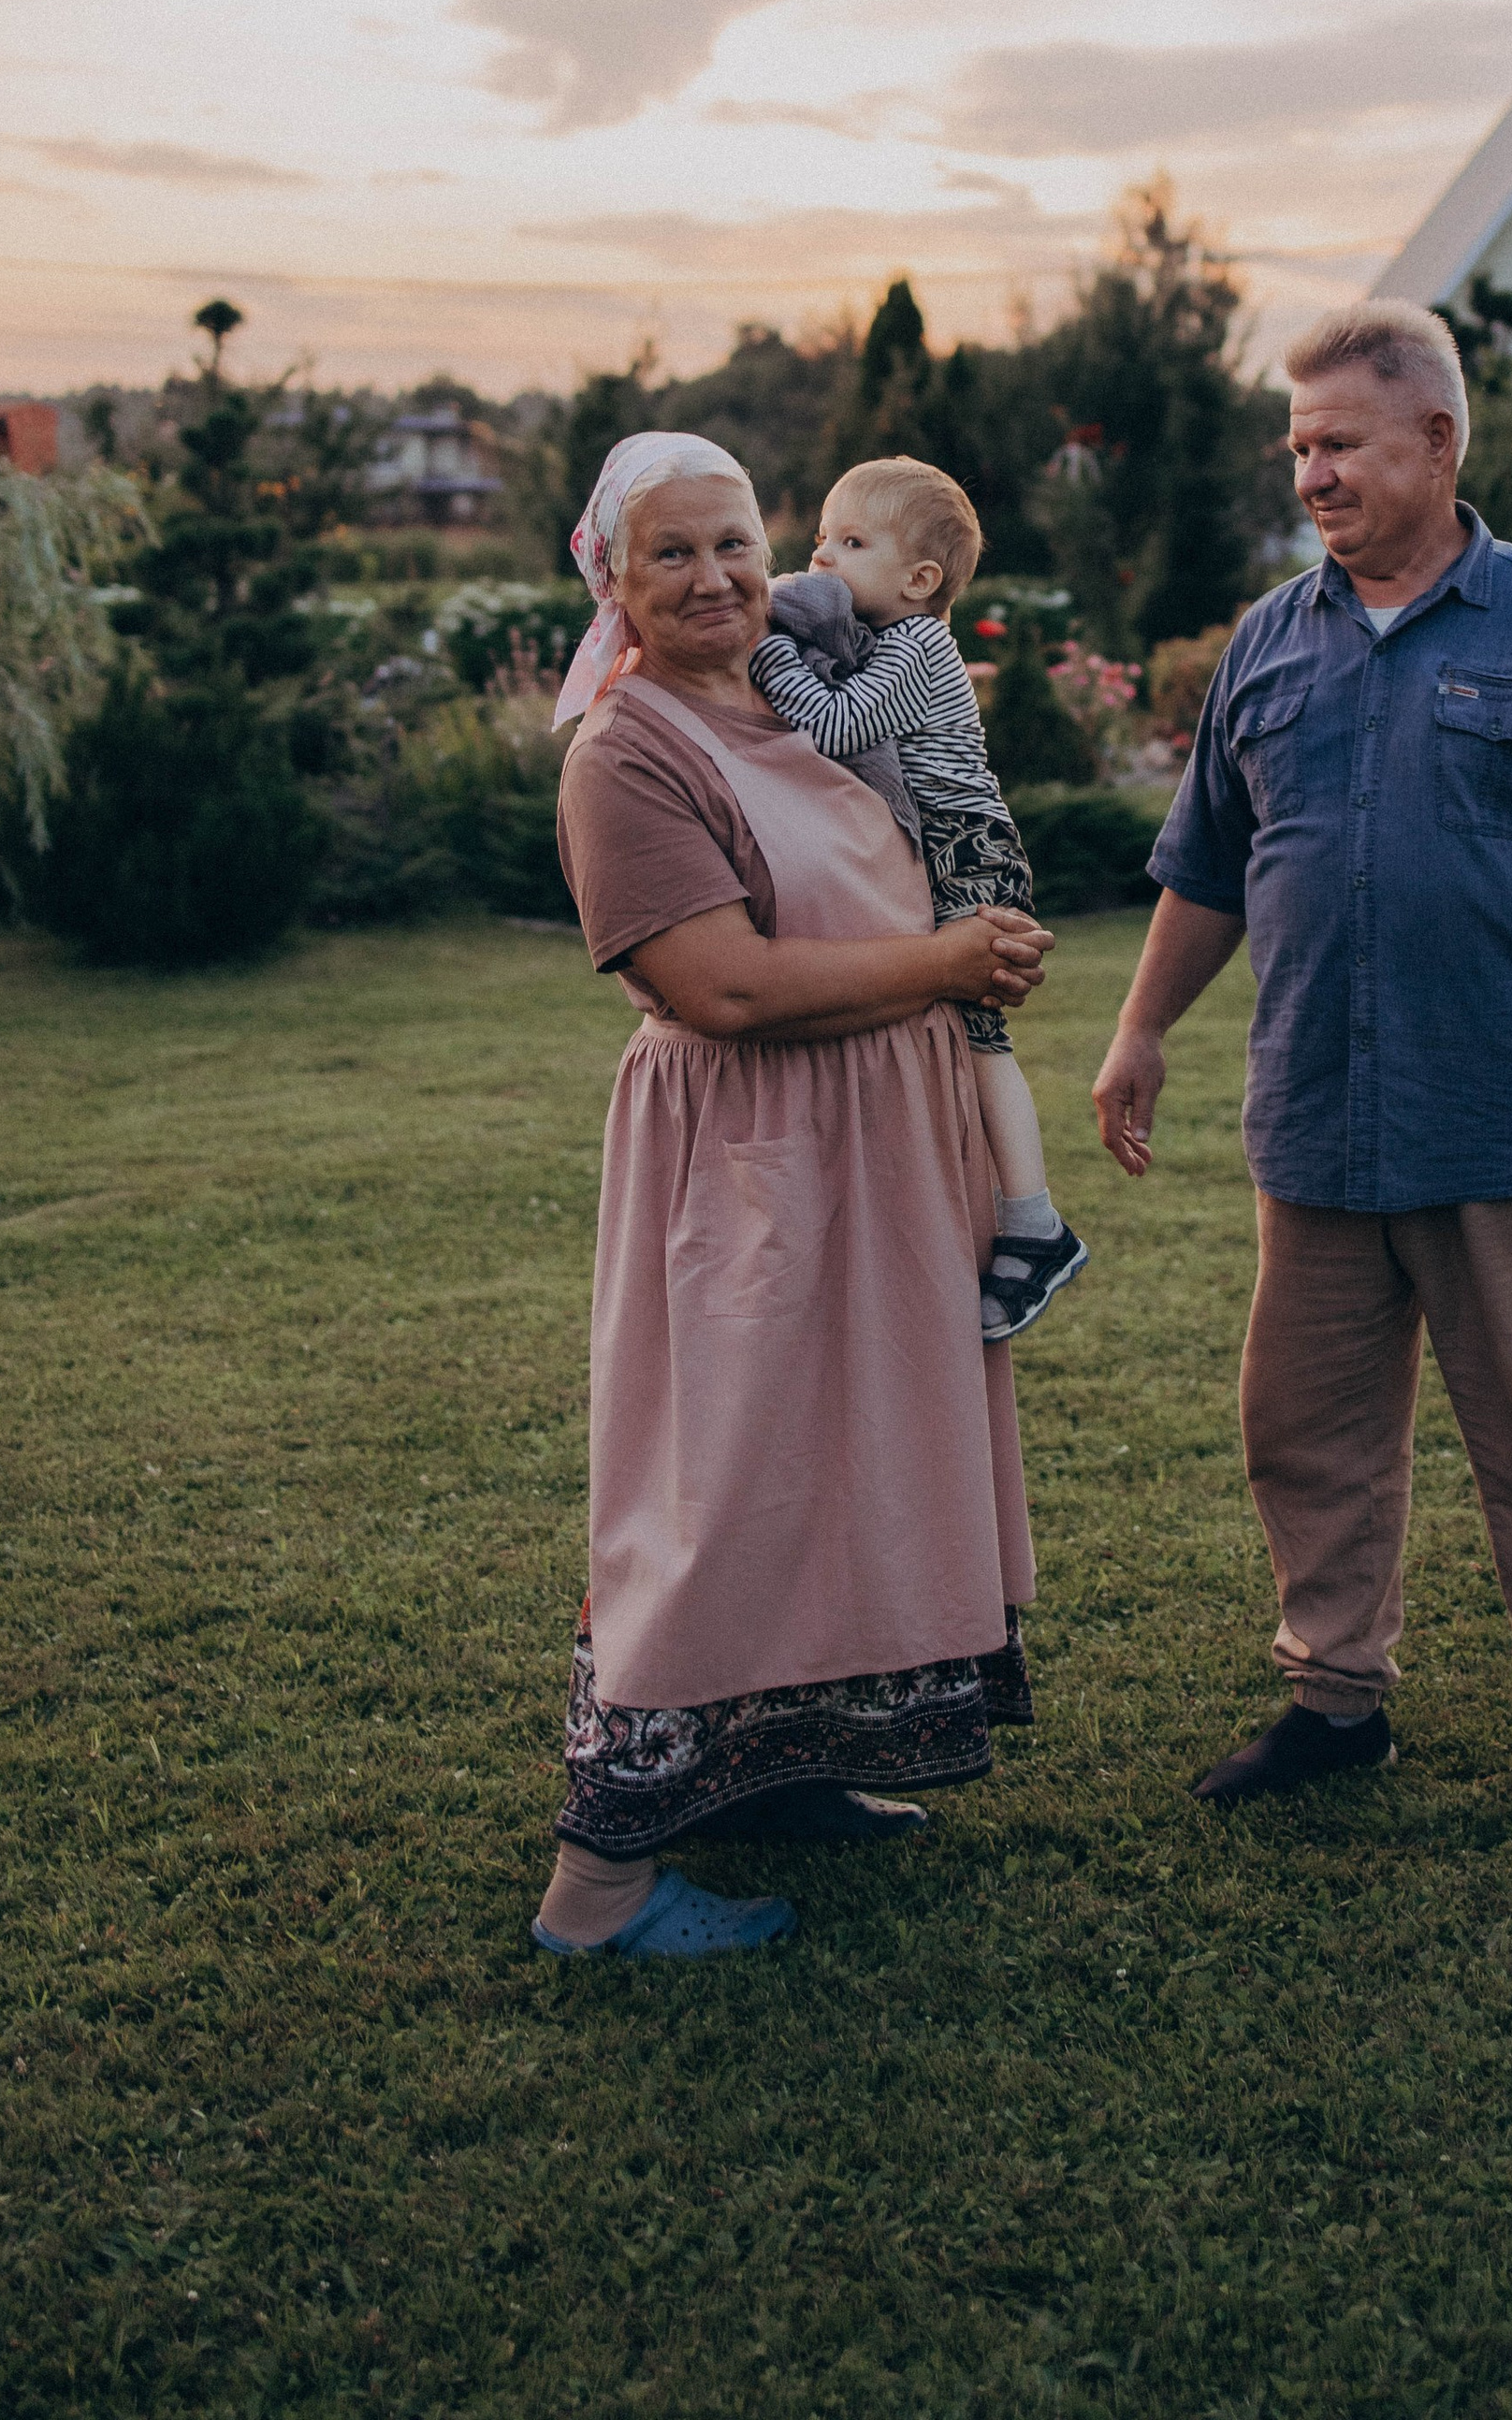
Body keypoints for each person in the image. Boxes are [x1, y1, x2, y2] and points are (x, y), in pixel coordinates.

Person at [1090, 303, 1512, 1844]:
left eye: (1343, 443)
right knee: (1304, 1430)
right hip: (1315, 1121)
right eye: (1299, 445)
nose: (1313, 473)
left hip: (1505, 1120)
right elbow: (1211, 867)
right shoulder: (1269, 642)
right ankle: (1332, 1698)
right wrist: (1143, 1025)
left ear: (1437, 442)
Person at [531, 430, 1053, 1962]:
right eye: (674, 553)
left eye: (741, 544)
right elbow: (725, 985)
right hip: (751, 1174)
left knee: (841, 1466)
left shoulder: (776, 699)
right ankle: (601, 1884)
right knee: (722, 1492)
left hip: (871, 1160)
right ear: (612, 581)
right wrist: (952, 963)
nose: (718, 578)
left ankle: (790, 1769)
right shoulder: (626, 752)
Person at [751, 456, 1085, 1343]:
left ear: (920, 579)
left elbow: (835, 728)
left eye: (851, 542)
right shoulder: (877, 644)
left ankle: (1035, 1224)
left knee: (979, 1038)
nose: (821, 558)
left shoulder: (917, 646)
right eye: (820, 537)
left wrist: (764, 650)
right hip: (932, 849)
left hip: (966, 847)